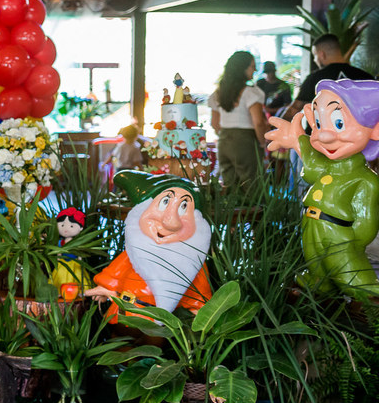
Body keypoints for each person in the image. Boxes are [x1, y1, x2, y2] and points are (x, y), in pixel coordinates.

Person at [266, 78, 379, 300]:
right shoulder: (327, 165)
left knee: (350, 275)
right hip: (312, 226)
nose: (324, 135)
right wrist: (298, 138)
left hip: (339, 234)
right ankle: (320, 286)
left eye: (338, 123)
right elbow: (311, 162)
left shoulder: (366, 179)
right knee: (316, 266)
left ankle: (367, 298)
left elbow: (366, 223)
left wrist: (351, 243)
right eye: (318, 123)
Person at [85, 170, 212, 321]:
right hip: (125, 311)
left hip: (160, 322)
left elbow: (200, 295)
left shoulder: (191, 262)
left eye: (183, 207)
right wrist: (106, 287)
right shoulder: (136, 251)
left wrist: (199, 312)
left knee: (153, 341)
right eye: (165, 202)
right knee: (122, 340)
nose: (171, 223)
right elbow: (118, 271)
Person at [208, 51, 268, 188]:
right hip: (246, 141)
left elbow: (215, 123)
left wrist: (226, 136)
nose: (255, 70)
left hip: (224, 141)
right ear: (243, 68)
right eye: (252, 66)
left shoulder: (217, 94)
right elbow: (258, 122)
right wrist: (262, 143)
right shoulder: (251, 92)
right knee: (252, 186)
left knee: (230, 187)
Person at [283, 33, 373, 120]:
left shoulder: (314, 78)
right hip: (359, 134)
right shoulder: (366, 77)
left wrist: (275, 127)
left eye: (315, 55)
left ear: (322, 54)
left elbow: (294, 109)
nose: (315, 60)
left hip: (320, 134)